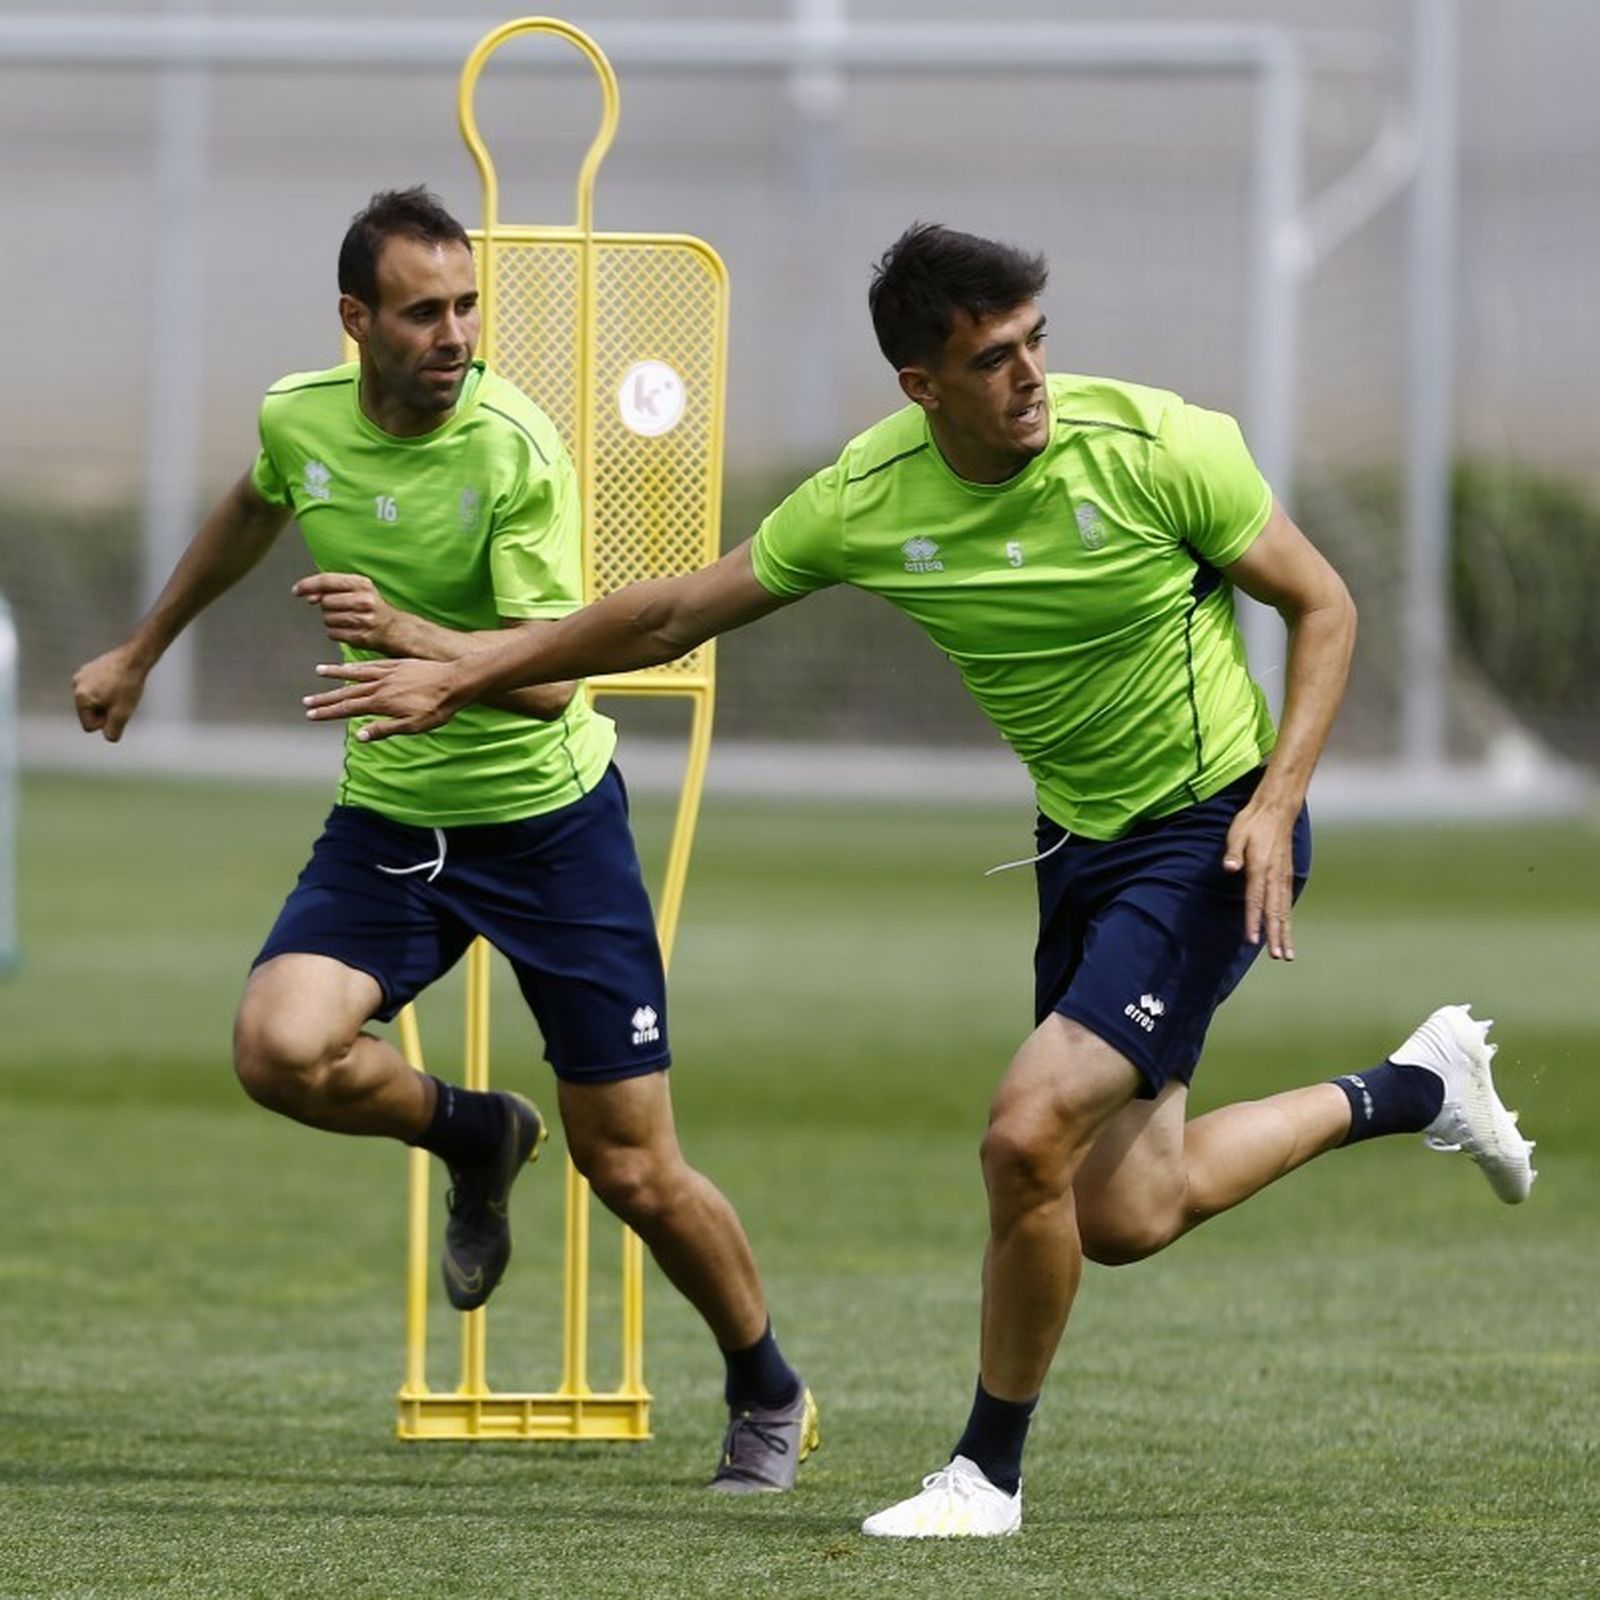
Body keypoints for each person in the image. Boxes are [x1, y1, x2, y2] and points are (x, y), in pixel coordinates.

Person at [301, 221, 1538, 1537]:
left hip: (1213, 831)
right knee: (1125, 1209)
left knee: (1024, 1133)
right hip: (1081, 852)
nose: (1030, 375)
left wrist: (1281, 797)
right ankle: (1417, 1086)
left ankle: (984, 1476)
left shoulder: (1161, 447)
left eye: (1035, 342)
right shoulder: (869, 497)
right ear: (921, 385)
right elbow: (666, 615)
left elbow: (1324, 604)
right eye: (993, 357)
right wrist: (466, 669)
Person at [71, 186, 818, 1495]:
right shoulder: (299, 416)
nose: (456, 334)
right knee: (276, 1047)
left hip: (548, 828)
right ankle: (474, 1134)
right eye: (425, 311)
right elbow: (256, 504)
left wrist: (415, 640)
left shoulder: (515, 448)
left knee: (631, 1165)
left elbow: (549, 679)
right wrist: (142, 650)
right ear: (357, 320)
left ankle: (767, 1385)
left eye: (468, 306)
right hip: (396, 818)